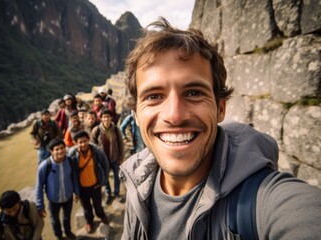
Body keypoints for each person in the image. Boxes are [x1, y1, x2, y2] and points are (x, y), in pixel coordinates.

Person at [119, 18, 321, 240]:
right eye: (154, 96)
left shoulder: (264, 200)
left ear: (220, 109)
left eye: (194, 92)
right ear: (136, 115)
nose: (174, 116)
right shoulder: (138, 185)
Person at [35, 138, 80, 240]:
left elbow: (74, 178)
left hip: (68, 197)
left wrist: (76, 192)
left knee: (67, 217)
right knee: (55, 220)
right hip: (53, 200)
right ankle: (59, 236)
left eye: (62, 148)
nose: (60, 151)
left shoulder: (70, 161)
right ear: (51, 151)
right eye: (57, 149)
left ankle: (68, 233)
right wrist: (40, 205)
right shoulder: (45, 166)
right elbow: (38, 187)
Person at [68, 131, 110, 233]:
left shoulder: (96, 151)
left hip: (95, 185)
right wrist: (75, 190)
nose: (83, 144)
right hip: (82, 188)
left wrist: (103, 180)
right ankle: (89, 221)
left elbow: (105, 165)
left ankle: (101, 215)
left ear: (89, 140)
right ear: (76, 143)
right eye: (80, 142)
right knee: (86, 207)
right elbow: (70, 172)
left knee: (98, 205)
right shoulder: (72, 154)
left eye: (85, 141)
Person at [91, 108, 124, 204]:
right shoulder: (96, 130)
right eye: (104, 117)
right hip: (102, 159)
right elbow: (93, 145)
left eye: (108, 117)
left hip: (114, 157)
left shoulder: (115, 129)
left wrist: (121, 157)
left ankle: (117, 193)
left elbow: (120, 144)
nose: (106, 119)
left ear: (111, 118)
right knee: (105, 177)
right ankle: (108, 194)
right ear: (101, 118)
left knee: (117, 176)